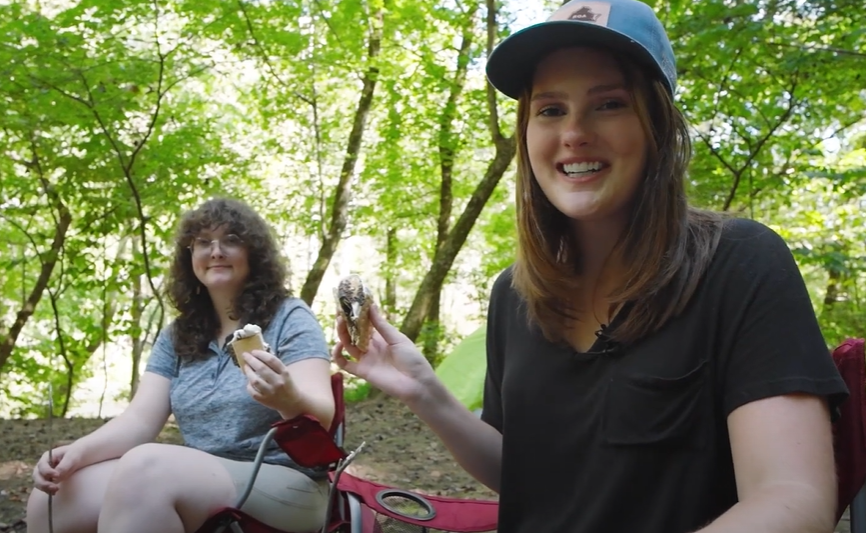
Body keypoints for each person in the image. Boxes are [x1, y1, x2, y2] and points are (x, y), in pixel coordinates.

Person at [333, 1, 850, 532]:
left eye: (608, 104)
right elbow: (533, 477)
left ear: (658, 127)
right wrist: (425, 391)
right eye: (551, 110)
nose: (574, 132)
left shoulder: (739, 263)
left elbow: (793, 499)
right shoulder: (514, 294)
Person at [27, 198, 335, 533]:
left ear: (254, 254)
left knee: (146, 468)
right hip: (201, 473)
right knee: (53, 498)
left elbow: (322, 415)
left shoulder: (289, 316)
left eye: (231, 240)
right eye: (203, 242)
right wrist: (76, 453)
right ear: (190, 257)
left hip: (289, 482)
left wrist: (286, 399)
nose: (216, 251)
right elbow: (139, 420)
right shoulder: (178, 335)